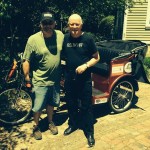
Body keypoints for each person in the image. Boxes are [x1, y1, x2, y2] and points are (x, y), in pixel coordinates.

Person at [22, 11, 64, 140]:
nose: (47, 26)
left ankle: (50, 121)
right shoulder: (33, 39)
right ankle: (36, 126)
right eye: (44, 23)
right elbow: (26, 60)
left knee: (51, 103)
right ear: (40, 24)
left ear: (54, 24)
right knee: (38, 106)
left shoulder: (60, 35)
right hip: (40, 80)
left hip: (55, 80)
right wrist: (27, 78)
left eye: (50, 23)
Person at [62, 14, 100, 147]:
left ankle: (89, 132)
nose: (74, 27)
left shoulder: (88, 39)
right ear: (68, 25)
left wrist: (85, 65)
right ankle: (73, 124)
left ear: (81, 25)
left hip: (84, 80)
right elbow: (63, 57)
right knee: (71, 104)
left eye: (76, 24)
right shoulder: (65, 38)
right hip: (69, 78)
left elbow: (96, 57)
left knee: (86, 107)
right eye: (71, 24)